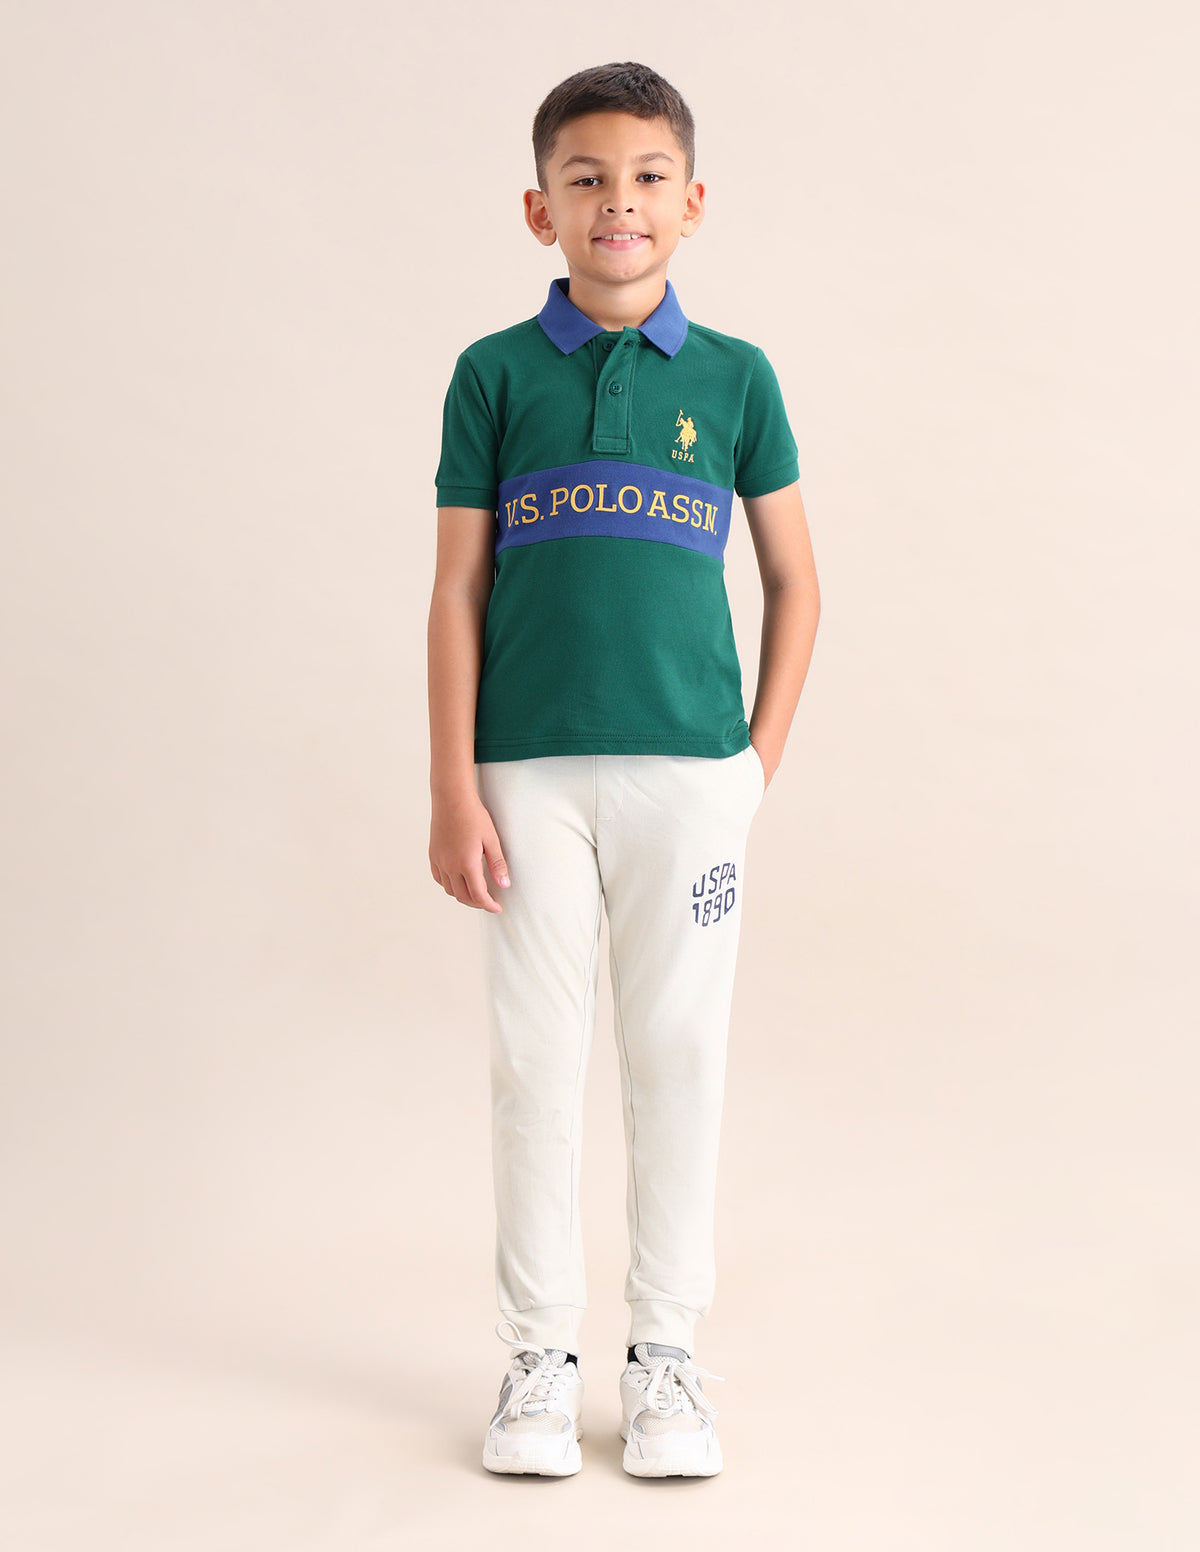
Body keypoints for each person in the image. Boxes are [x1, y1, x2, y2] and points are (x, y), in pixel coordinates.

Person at [427, 60, 820, 1479]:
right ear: (541, 209)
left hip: (689, 781)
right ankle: (539, 1359)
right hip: (525, 777)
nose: (619, 203)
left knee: (679, 1057)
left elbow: (796, 581)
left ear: (692, 203)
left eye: (649, 177)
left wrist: (753, 767)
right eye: (586, 178)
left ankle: (666, 1359)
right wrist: (452, 784)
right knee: (534, 1064)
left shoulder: (737, 379)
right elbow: (455, 590)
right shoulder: (492, 375)